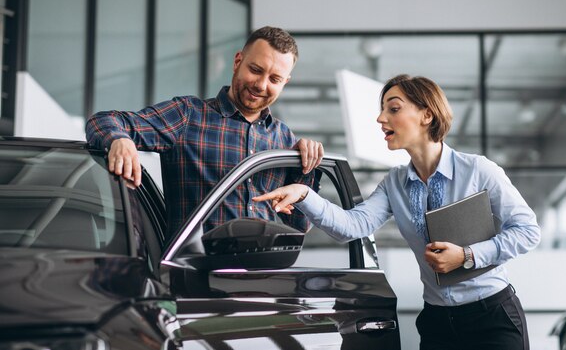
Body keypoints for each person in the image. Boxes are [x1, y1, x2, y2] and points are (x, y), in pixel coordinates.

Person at [253, 74, 541, 350]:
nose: (381, 119)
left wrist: (467, 256)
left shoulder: (479, 170)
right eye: (382, 110)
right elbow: (352, 225)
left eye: (393, 108)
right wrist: (304, 194)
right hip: (438, 323)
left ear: (426, 115)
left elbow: (528, 232)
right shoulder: (395, 184)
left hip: (491, 317)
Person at [86, 26, 323, 239]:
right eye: (255, 69)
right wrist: (120, 140)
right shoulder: (188, 115)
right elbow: (104, 121)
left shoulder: (284, 139)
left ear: (285, 82)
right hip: (196, 279)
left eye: (274, 79)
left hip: (263, 279)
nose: (261, 85)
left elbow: (300, 225)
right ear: (237, 61)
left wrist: (306, 168)